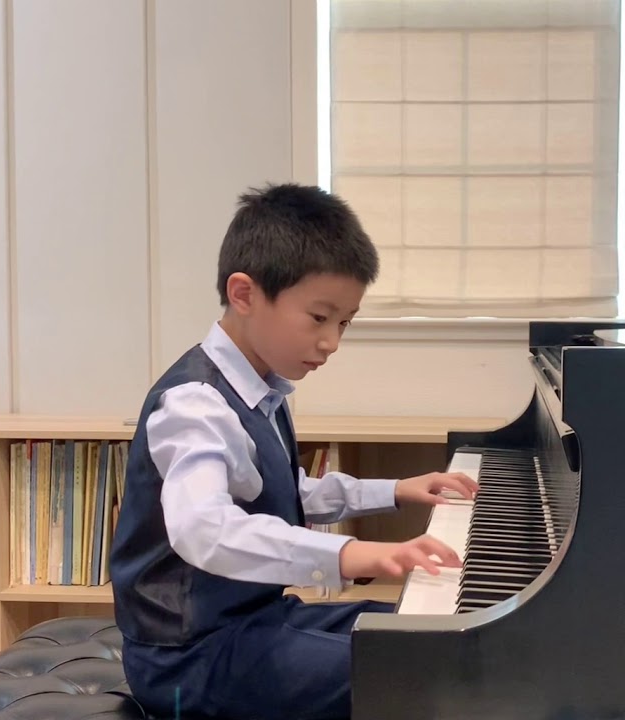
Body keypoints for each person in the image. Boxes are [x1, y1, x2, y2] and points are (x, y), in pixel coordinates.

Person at [108, 183, 479, 720]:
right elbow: (204, 529)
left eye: (345, 322)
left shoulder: (262, 389)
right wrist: (355, 555)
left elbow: (283, 491)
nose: (333, 342)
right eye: (319, 317)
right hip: (189, 660)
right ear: (245, 294)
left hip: (254, 624)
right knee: (425, 669)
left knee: (436, 634)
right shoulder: (195, 405)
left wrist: (395, 491)